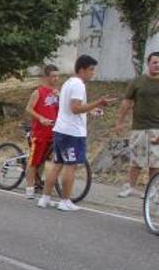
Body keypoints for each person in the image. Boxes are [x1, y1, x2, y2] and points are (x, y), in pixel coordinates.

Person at [38, 55, 115, 211]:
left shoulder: (68, 83)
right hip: (72, 132)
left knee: (57, 165)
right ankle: (65, 200)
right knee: (70, 166)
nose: (93, 73)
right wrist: (98, 102)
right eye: (91, 70)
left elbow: (71, 107)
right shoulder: (79, 85)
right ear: (82, 69)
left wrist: (91, 109)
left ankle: (45, 198)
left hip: (61, 129)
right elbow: (75, 108)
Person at [113, 51, 159, 197]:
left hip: (156, 127)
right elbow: (127, 102)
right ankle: (130, 186)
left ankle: (153, 189)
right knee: (136, 159)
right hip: (139, 127)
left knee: (155, 161)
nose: (157, 65)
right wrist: (119, 121)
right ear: (148, 64)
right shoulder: (138, 81)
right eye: (155, 62)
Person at [23, 65, 60, 199]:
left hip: (53, 132)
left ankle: (41, 182)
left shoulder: (57, 93)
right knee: (33, 161)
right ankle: (29, 188)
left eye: (57, 76)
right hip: (40, 133)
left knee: (47, 160)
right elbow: (29, 108)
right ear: (46, 77)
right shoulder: (39, 92)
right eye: (53, 76)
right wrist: (40, 118)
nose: (56, 78)